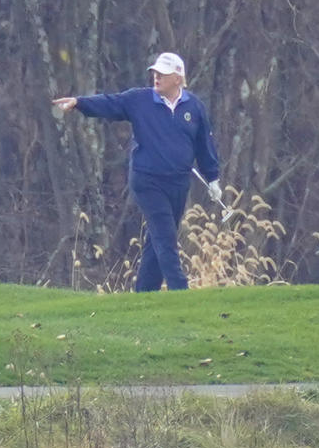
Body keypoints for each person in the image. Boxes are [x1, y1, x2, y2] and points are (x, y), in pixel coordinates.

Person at [53, 52, 221, 292]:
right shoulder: (140, 100)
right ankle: (180, 290)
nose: (156, 77)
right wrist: (79, 103)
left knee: (157, 240)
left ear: (177, 78)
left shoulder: (193, 107)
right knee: (165, 235)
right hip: (147, 180)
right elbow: (110, 103)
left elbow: (204, 144)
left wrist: (212, 178)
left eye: (162, 74)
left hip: (179, 183)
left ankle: (143, 294)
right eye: (155, 73)